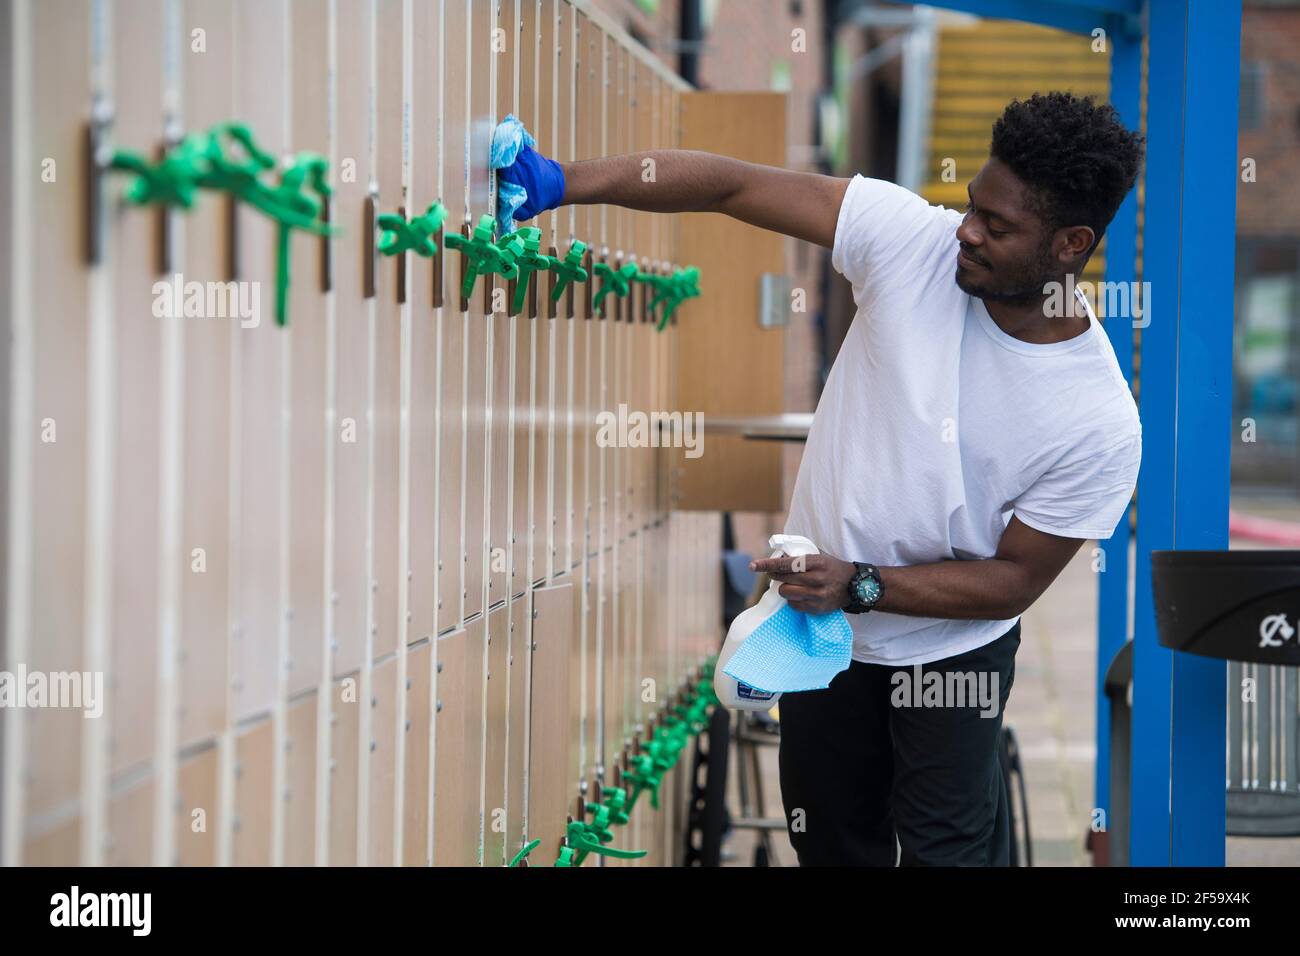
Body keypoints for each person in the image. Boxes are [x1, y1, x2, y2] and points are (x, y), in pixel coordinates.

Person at [500, 91, 1145, 866]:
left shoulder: (1097, 418)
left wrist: (859, 584)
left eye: (998, 226)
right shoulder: (913, 241)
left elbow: (1011, 583)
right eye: (974, 204)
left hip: (952, 654)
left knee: (950, 856)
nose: (967, 231)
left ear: (1071, 243)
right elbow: (730, 184)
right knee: (833, 844)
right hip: (821, 634)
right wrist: (559, 181)